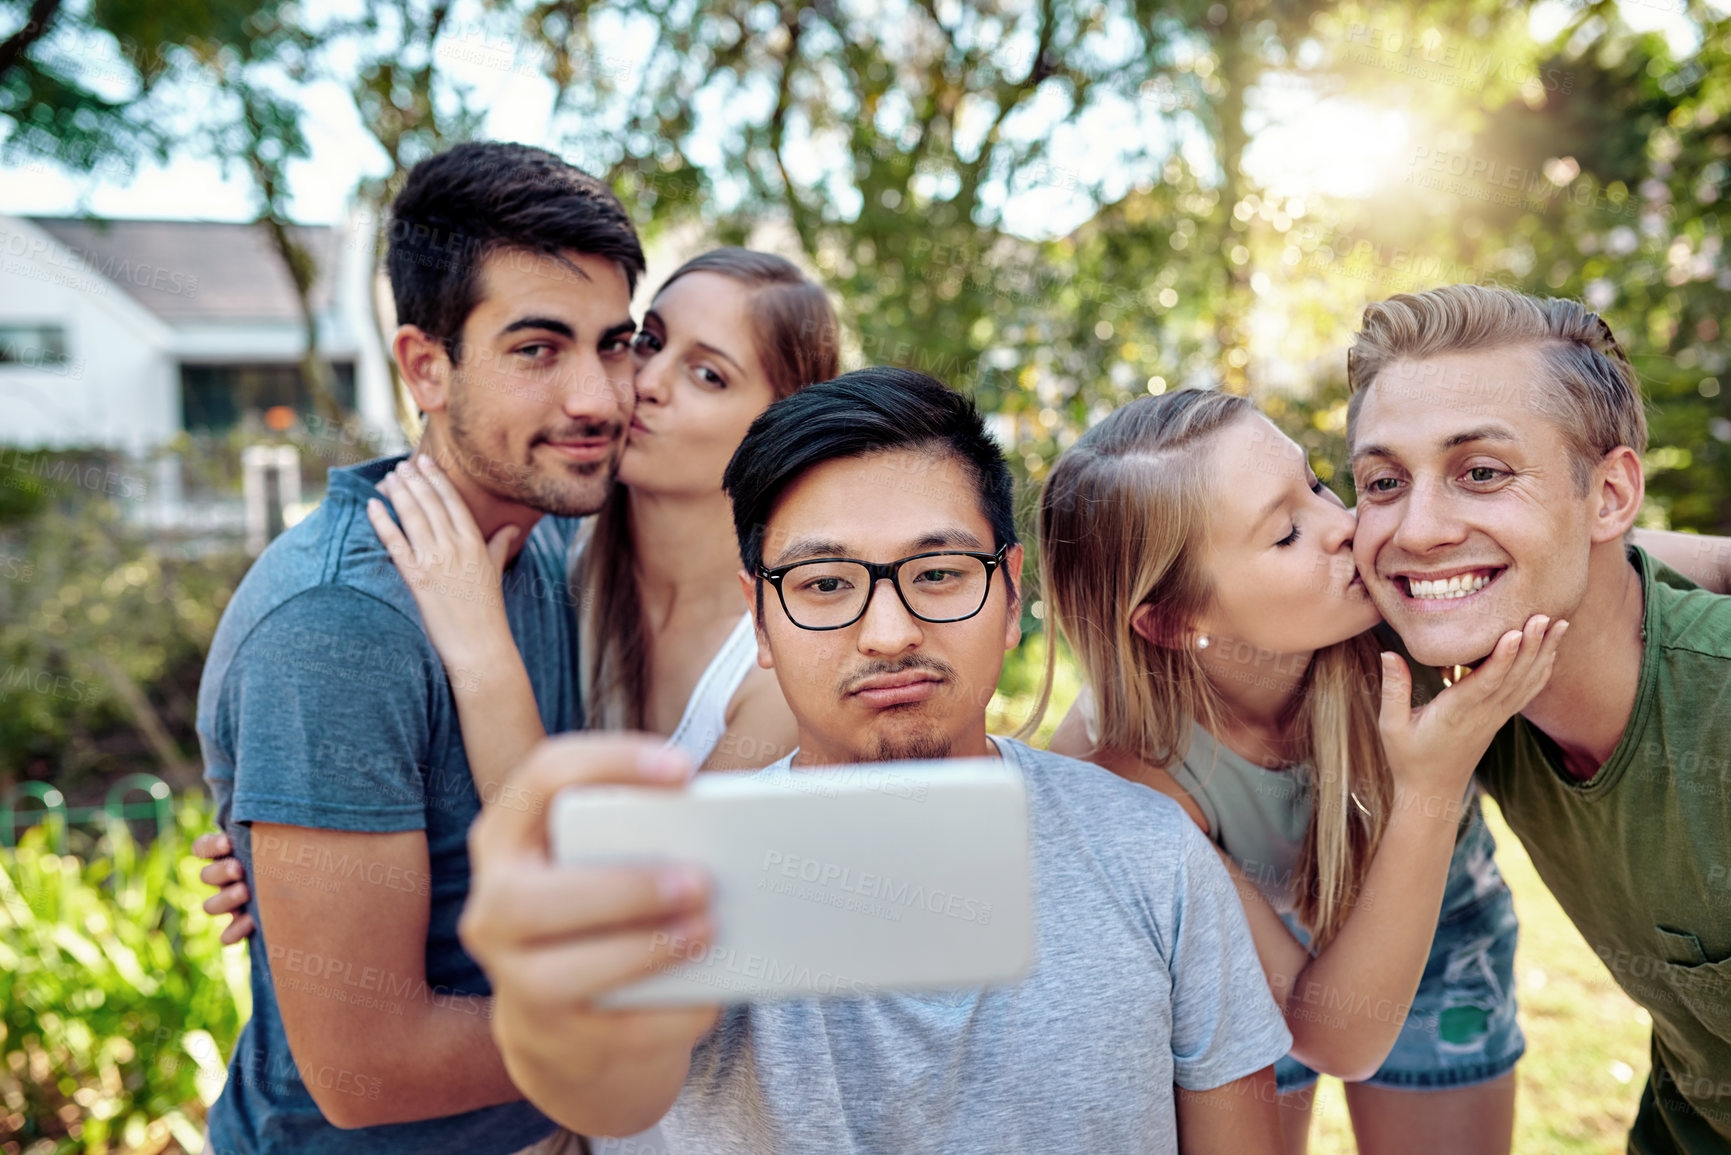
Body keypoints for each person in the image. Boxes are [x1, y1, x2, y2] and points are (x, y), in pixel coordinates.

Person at [457, 368, 1295, 1153]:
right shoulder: (688, 877)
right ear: (759, 619)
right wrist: (549, 1020)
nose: (889, 632)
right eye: (825, 583)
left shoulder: (1154, 857)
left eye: (937, 572)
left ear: (1009, 597)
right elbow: (609, 1086)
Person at [193, 140, 642, 1155]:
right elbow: (366, 1065)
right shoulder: (340, 625)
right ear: (425, 367)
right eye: (537, 350)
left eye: (615, 343)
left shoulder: (560, 540)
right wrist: (661, 1009)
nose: (598, 398)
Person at [195, 248, 840, 948]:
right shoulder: (558, 551)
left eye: (706, 373)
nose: (644, 383)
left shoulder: (781, 663)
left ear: (781, 426)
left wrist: (481, 649)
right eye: (646, 342)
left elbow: (609, 922)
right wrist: (301, 868)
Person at [1038, 388, 1565, 1155]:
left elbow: (1599, 557)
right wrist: (1429, 785)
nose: (1345, 526)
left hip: (1441, 929)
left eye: (1317, 484)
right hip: (1243, 974)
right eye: (1286, 532)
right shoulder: (1118, 763)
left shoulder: (1406, 584)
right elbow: (1332, 1036)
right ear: (1175, 620)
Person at [1345, 284, 1731, 1154]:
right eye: (1381, 482)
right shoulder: (1454, 668)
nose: (1420, 528)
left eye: (1481, 471)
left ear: (1608, 495)